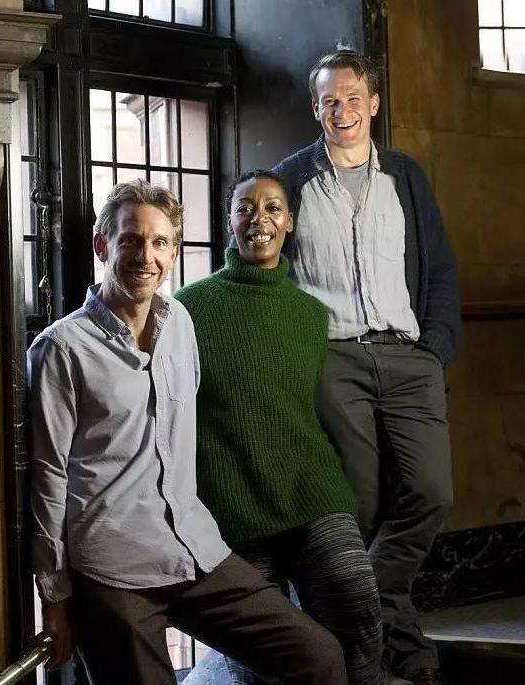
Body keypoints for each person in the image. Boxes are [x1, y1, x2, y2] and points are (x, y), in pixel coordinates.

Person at [27, 179, 350, 685]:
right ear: (101, 245)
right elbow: (47, 481)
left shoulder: (180, 320)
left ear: (174, 253)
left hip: (193, 548)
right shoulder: (61, 349)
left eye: (159, 242)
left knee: (319, 656)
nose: (145, 256)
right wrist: (54, 598)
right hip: (113, 571)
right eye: (130, 240)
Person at [271, 50, 461, 685]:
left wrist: (436, 348)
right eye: (330, 100)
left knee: (430, 491)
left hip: (410, 357)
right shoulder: (291, 179)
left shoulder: (406, 175)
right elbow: (269, 267)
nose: (342, 110)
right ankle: (403, 650)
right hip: (335, 358)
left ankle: (352, 619)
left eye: (353, 98)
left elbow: (439, 266)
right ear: (315, 108)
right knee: (362, 501)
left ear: (373, 104)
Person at [176, 170, 384, 685]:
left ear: (289, 221)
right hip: (232, 506)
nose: (259, 219)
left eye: (272, 207)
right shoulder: (186, 309)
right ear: (229, 220)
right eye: (245, 208)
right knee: (257, 655)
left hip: (311, 494)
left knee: (356, 604)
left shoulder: (310, 315)